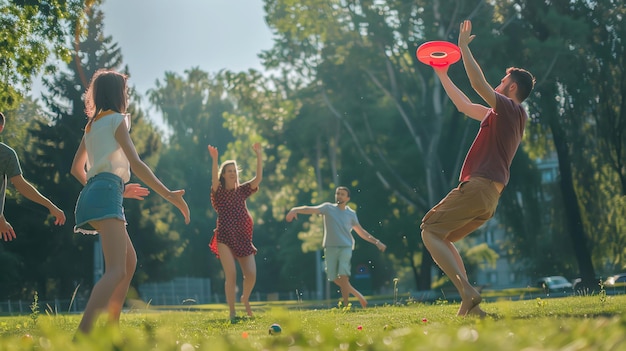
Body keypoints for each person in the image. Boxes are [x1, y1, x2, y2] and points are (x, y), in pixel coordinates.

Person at [420, 20, 535, 317]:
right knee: (441, 237)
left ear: (510, 87)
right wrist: (443, 74)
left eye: (501, 81)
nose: (497, 84)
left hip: (480, 187)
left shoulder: (511, 109)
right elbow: (464, 104)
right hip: (488, 198)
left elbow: (477, 85)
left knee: (429, 230)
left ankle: (467, 292)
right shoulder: (500, 116)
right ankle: (471, 309)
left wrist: (463, 48)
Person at [71, 69, 190, 335]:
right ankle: (82, 335)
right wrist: (169, 194)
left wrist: (115, 189)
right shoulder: (116, 121)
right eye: (125, 91)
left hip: (96, 192)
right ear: (117, 94)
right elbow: (136, 163)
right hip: (105, 193)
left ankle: (113, 327)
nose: (127, 95)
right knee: (114, 270)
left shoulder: (91, 125)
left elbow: (76, 169)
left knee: (128, 264)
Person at [286, 186, 387, 308]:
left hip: (346, 246)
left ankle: (346, 305)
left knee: (343, 274)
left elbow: (361, 231)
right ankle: (359, 296)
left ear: (347, 198)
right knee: (332, 277)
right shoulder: (328, 208)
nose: (339, 196)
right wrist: (295, 209)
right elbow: (310, 209)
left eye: (342, 194)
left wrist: (377, 242)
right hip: (330, 247)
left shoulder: (351, 214)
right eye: (338, 193)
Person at [208, 143, 263, 321]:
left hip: (243, 237)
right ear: (224, 174)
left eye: (234, 170)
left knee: (252, 275)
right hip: (224, 236)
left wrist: (259, 156)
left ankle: (245, 298)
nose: (232, 172)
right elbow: (214, 181)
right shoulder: (219, 192)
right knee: (231, 275)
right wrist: (215, 159)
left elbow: (257, 179)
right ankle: (232, 313)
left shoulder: (242, 190)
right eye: (228, 170)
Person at [0, 112, 66, 241]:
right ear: (1, 128)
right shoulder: (6, 154)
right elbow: (21, 185)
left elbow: (21, 185)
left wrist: (50, 205)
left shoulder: (6, 155)